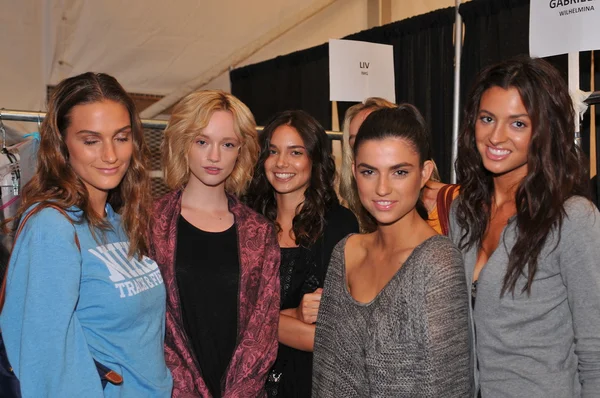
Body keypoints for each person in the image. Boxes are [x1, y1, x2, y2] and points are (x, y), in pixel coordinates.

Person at [0, 72, 172, 396]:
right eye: (91, 140)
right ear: (62, 144)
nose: (110, 155)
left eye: (121, 137)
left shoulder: (121, 222)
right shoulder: (52, 228)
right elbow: (44, 365)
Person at [450, 56, 600, 397]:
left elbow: (596, 353)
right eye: (487, 119)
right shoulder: (464, 212)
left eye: (518, 124)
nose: (496, 136)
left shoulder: (572, 220)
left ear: (543, 131)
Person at [313, 105, 472, 397]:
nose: (382, 188)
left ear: (424, 173)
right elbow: (326, 376)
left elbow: (448, 387)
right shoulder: (345, 253)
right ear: (354, 172)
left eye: (399, 172)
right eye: (369, 171)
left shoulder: (437, 262)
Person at [149, 89, 280, 397]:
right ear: (183, 143)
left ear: (241, 151)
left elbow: (263, 332)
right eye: (202, 141)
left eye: (228, 144)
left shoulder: (259, 234)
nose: (214, 156)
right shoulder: (149, 224)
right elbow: (149, 325)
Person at [245, 110, 358, 398]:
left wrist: (251, 321)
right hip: (246, 379)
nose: (281, 162)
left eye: (295, 152)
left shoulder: (339, 224)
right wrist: (294, 314)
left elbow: (329, 338)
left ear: (315, 159)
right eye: (273, 151)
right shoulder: (245, 219)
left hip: (310, 382)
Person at [340, 98, 457, 235]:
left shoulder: (456, 202)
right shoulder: (354, 219)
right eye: (357, 141)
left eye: (400, 172)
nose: (382, 189)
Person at [340, 98, 396, 232]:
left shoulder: (440, 202)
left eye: (373, 136)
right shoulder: (350, 210)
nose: (367, 148)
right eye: (357, 142)